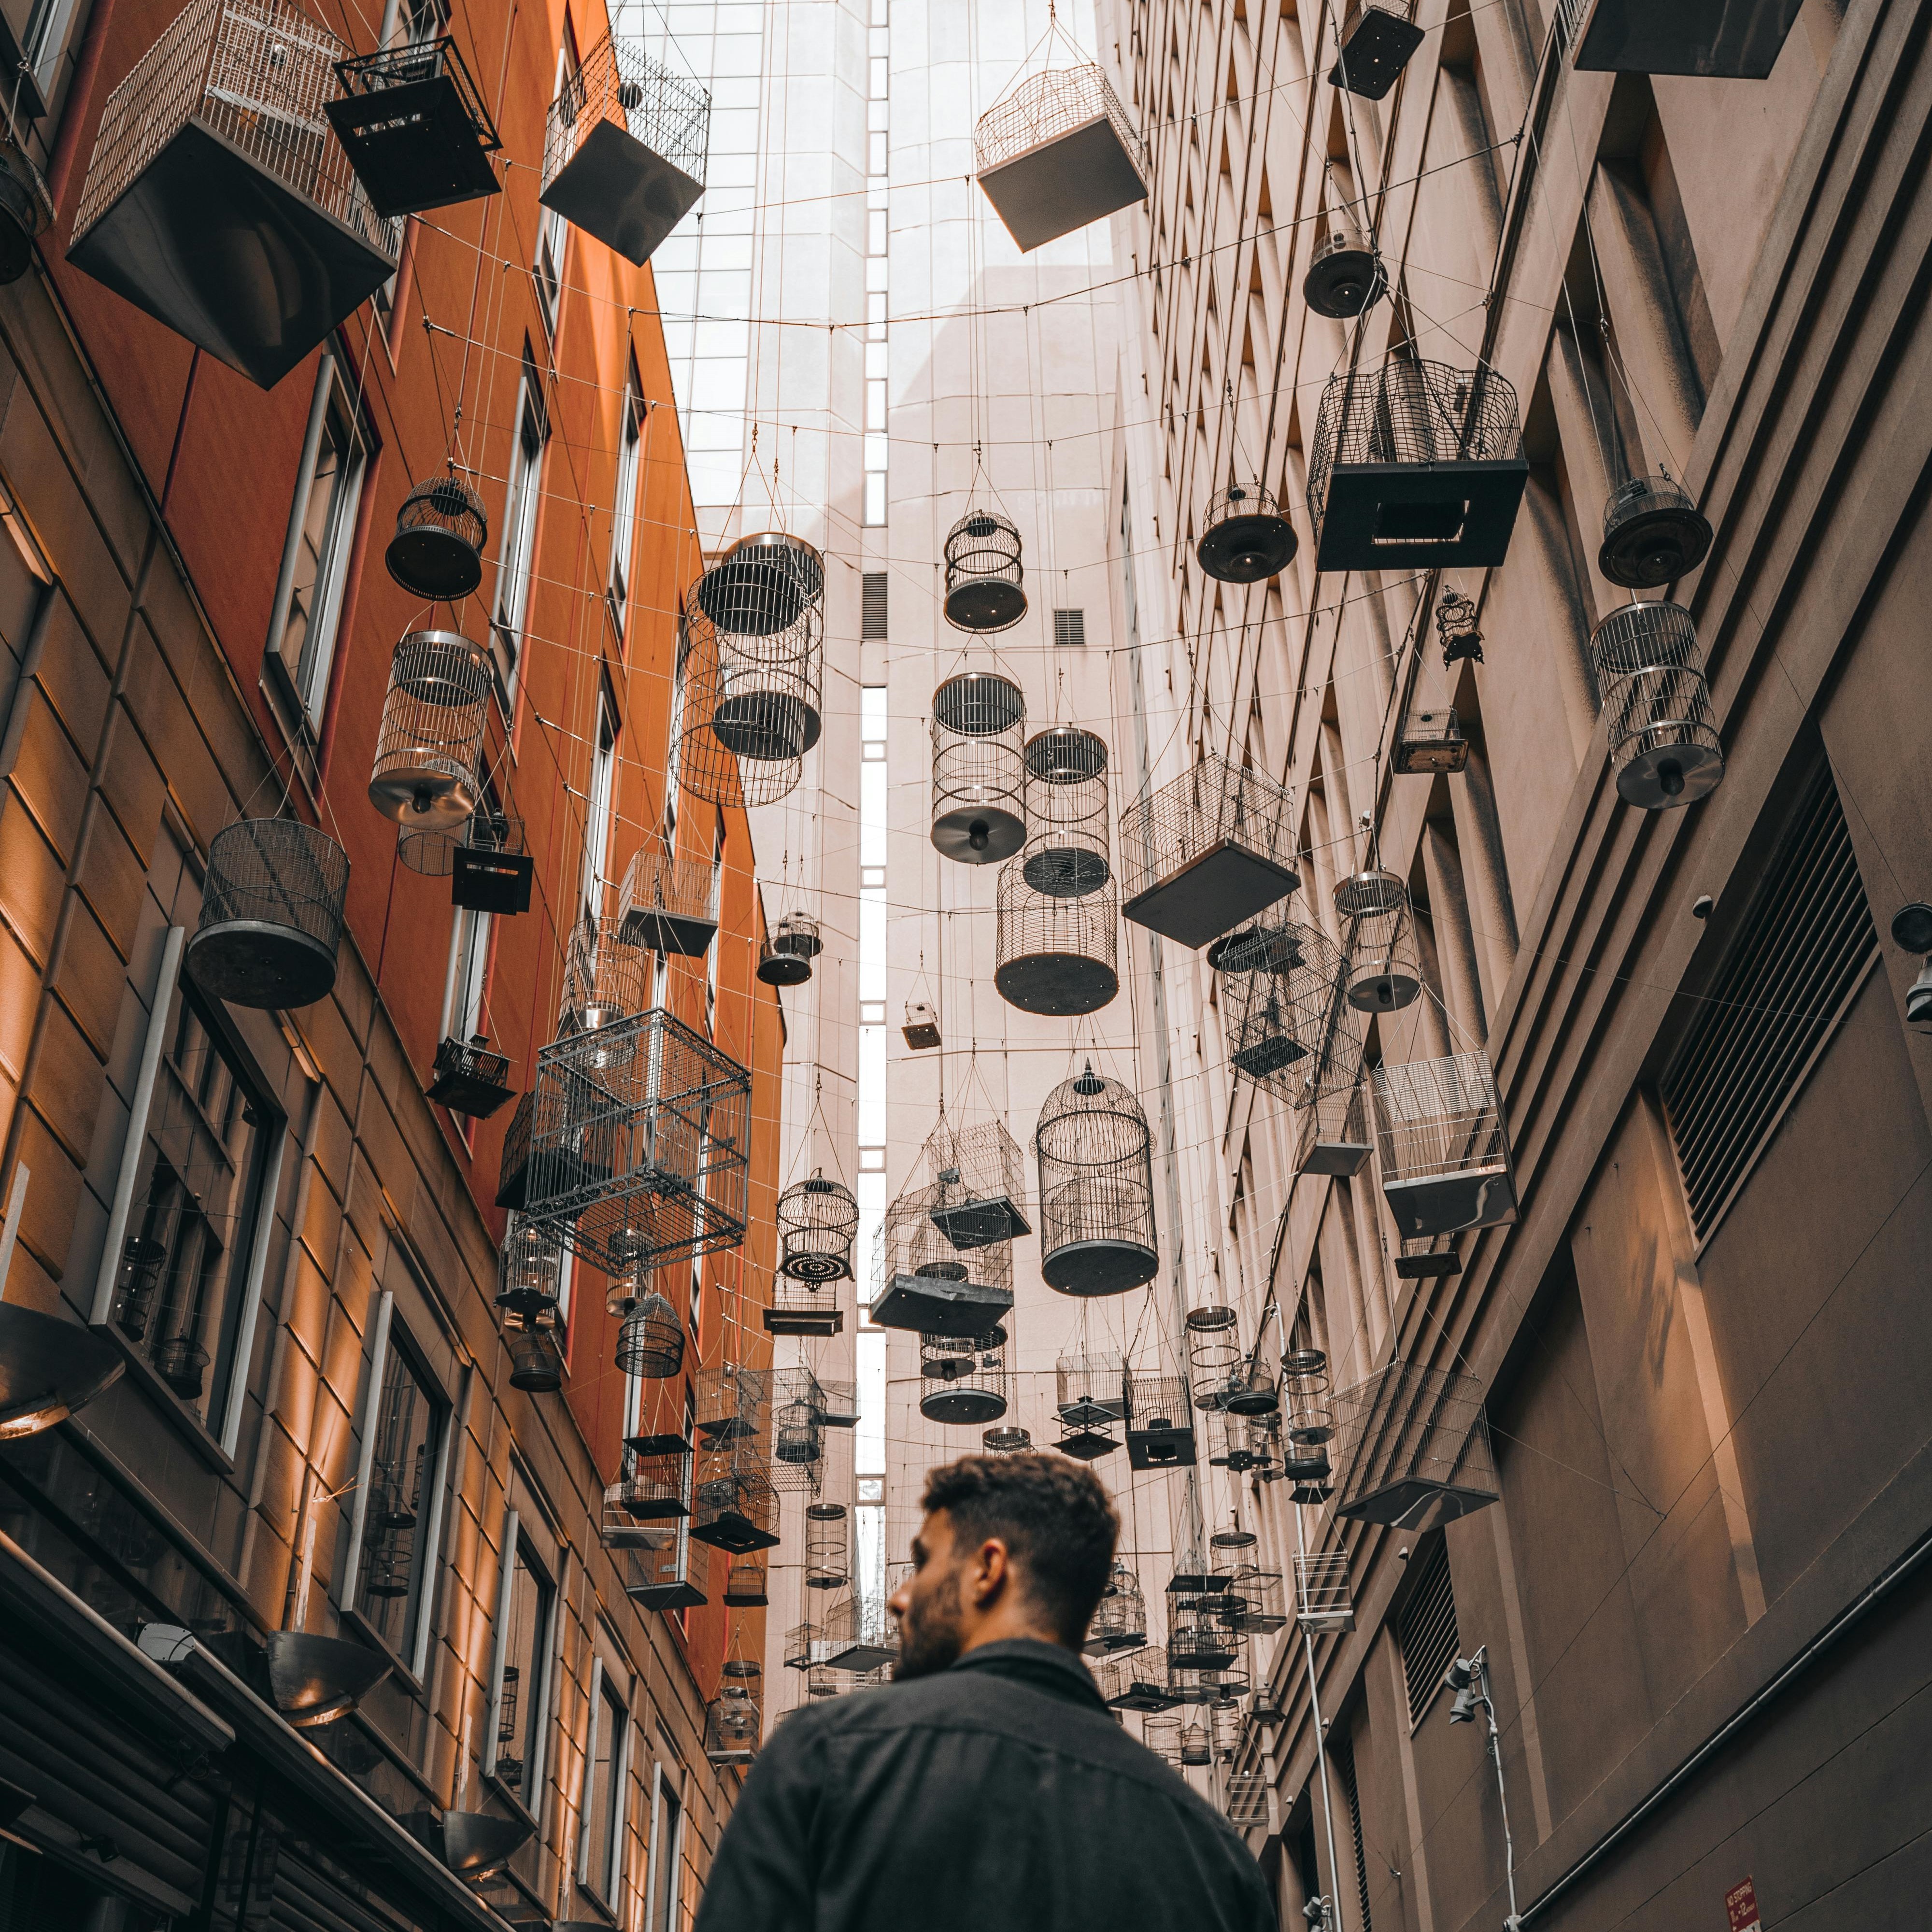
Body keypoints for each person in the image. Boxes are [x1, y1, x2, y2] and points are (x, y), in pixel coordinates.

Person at [693, 1451, 1278, 1932]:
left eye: (923, 1563)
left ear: (986, 1568)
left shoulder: (829, 1758)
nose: (900, 1599)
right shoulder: (1214, 1858)